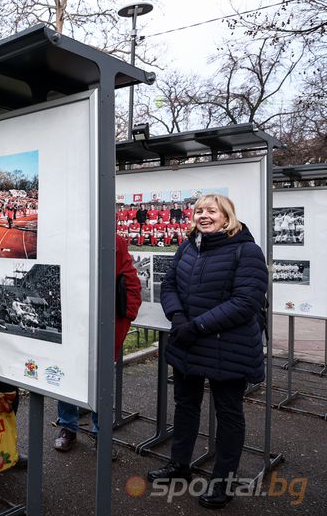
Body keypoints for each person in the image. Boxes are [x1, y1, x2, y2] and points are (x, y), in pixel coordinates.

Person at [146, 194, 268, 510]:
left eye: (211, 211)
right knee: (185, 405)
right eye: (199, 210)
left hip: (228, 348)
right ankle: (179, 465)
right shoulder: (188, 246)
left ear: (227, 216)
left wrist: (196, 326)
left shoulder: (247, 251)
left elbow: (245, 302)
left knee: (228, 415)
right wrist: (178, 317)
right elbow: (169, 285)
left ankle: (223, 481)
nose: (203, 215)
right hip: (189, 343)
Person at [54, 235, 142, 455]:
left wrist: (126, 317)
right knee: (67, 375)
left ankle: (101, 432)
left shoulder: (116, 242)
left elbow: (130, 281)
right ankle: (68, 427)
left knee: (101, 380)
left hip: (103, 324)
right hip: (72, 323)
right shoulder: (61, 237)